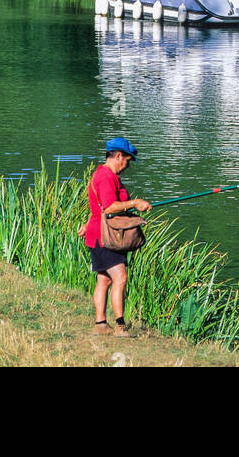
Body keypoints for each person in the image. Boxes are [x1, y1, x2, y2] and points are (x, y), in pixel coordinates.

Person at [85, 136, 150, 337]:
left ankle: (101, 324)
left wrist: (87, 224)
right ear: (118, 156)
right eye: (127, 161)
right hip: (106, 238)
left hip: (98, 234)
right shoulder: (106, 177)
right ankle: (120, 326)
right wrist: (135, 203)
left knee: (104, 280)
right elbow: (109, 206)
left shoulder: (104, 175)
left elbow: (98, 208)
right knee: (120, 277)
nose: (127, 166)